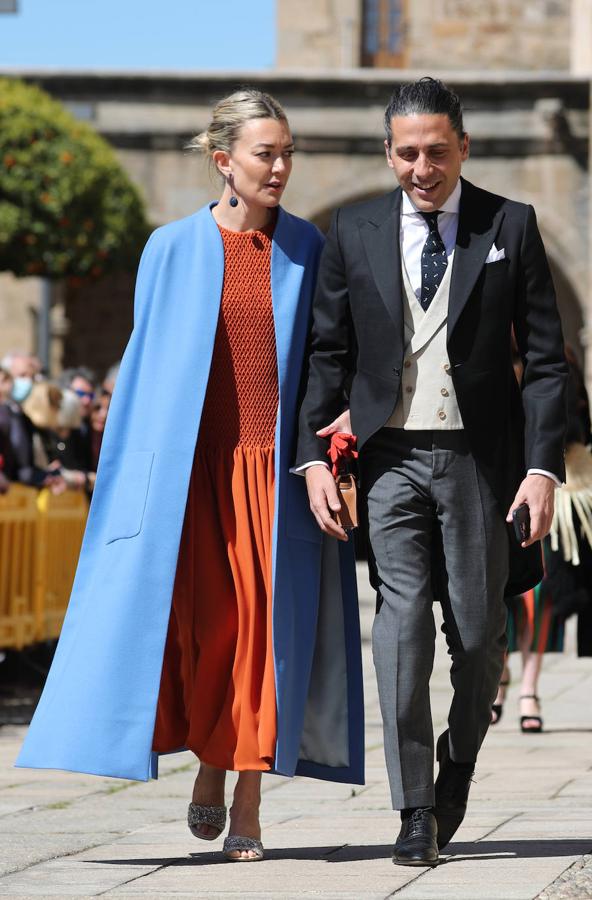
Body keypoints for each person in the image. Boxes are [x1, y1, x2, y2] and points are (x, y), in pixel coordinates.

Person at [16, 90, 363, 862]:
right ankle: (209, 761)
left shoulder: (312, 249)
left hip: (275, 478)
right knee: (206, 634)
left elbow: (327, 371)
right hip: (188, 478)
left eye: (287, 152)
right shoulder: (169, 248)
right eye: (265, 153)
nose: (280, 166)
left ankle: (247, 794)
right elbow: (144, 374)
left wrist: (332, 461)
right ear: (224, 162)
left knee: (263, 637)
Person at [296, 77, 567, 866]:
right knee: (402, 629)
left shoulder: (510, 224)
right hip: (389, 461)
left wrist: (541, 470)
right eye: (407, 153)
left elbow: (547, 362)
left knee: (481, 639)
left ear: (464, 148)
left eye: (437, 152)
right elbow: (328, 352)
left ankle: (460, 760)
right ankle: (415, 807)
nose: (423, 167)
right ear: (389, 153)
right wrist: (315, 458)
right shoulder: (354, 229)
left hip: (480, 462)